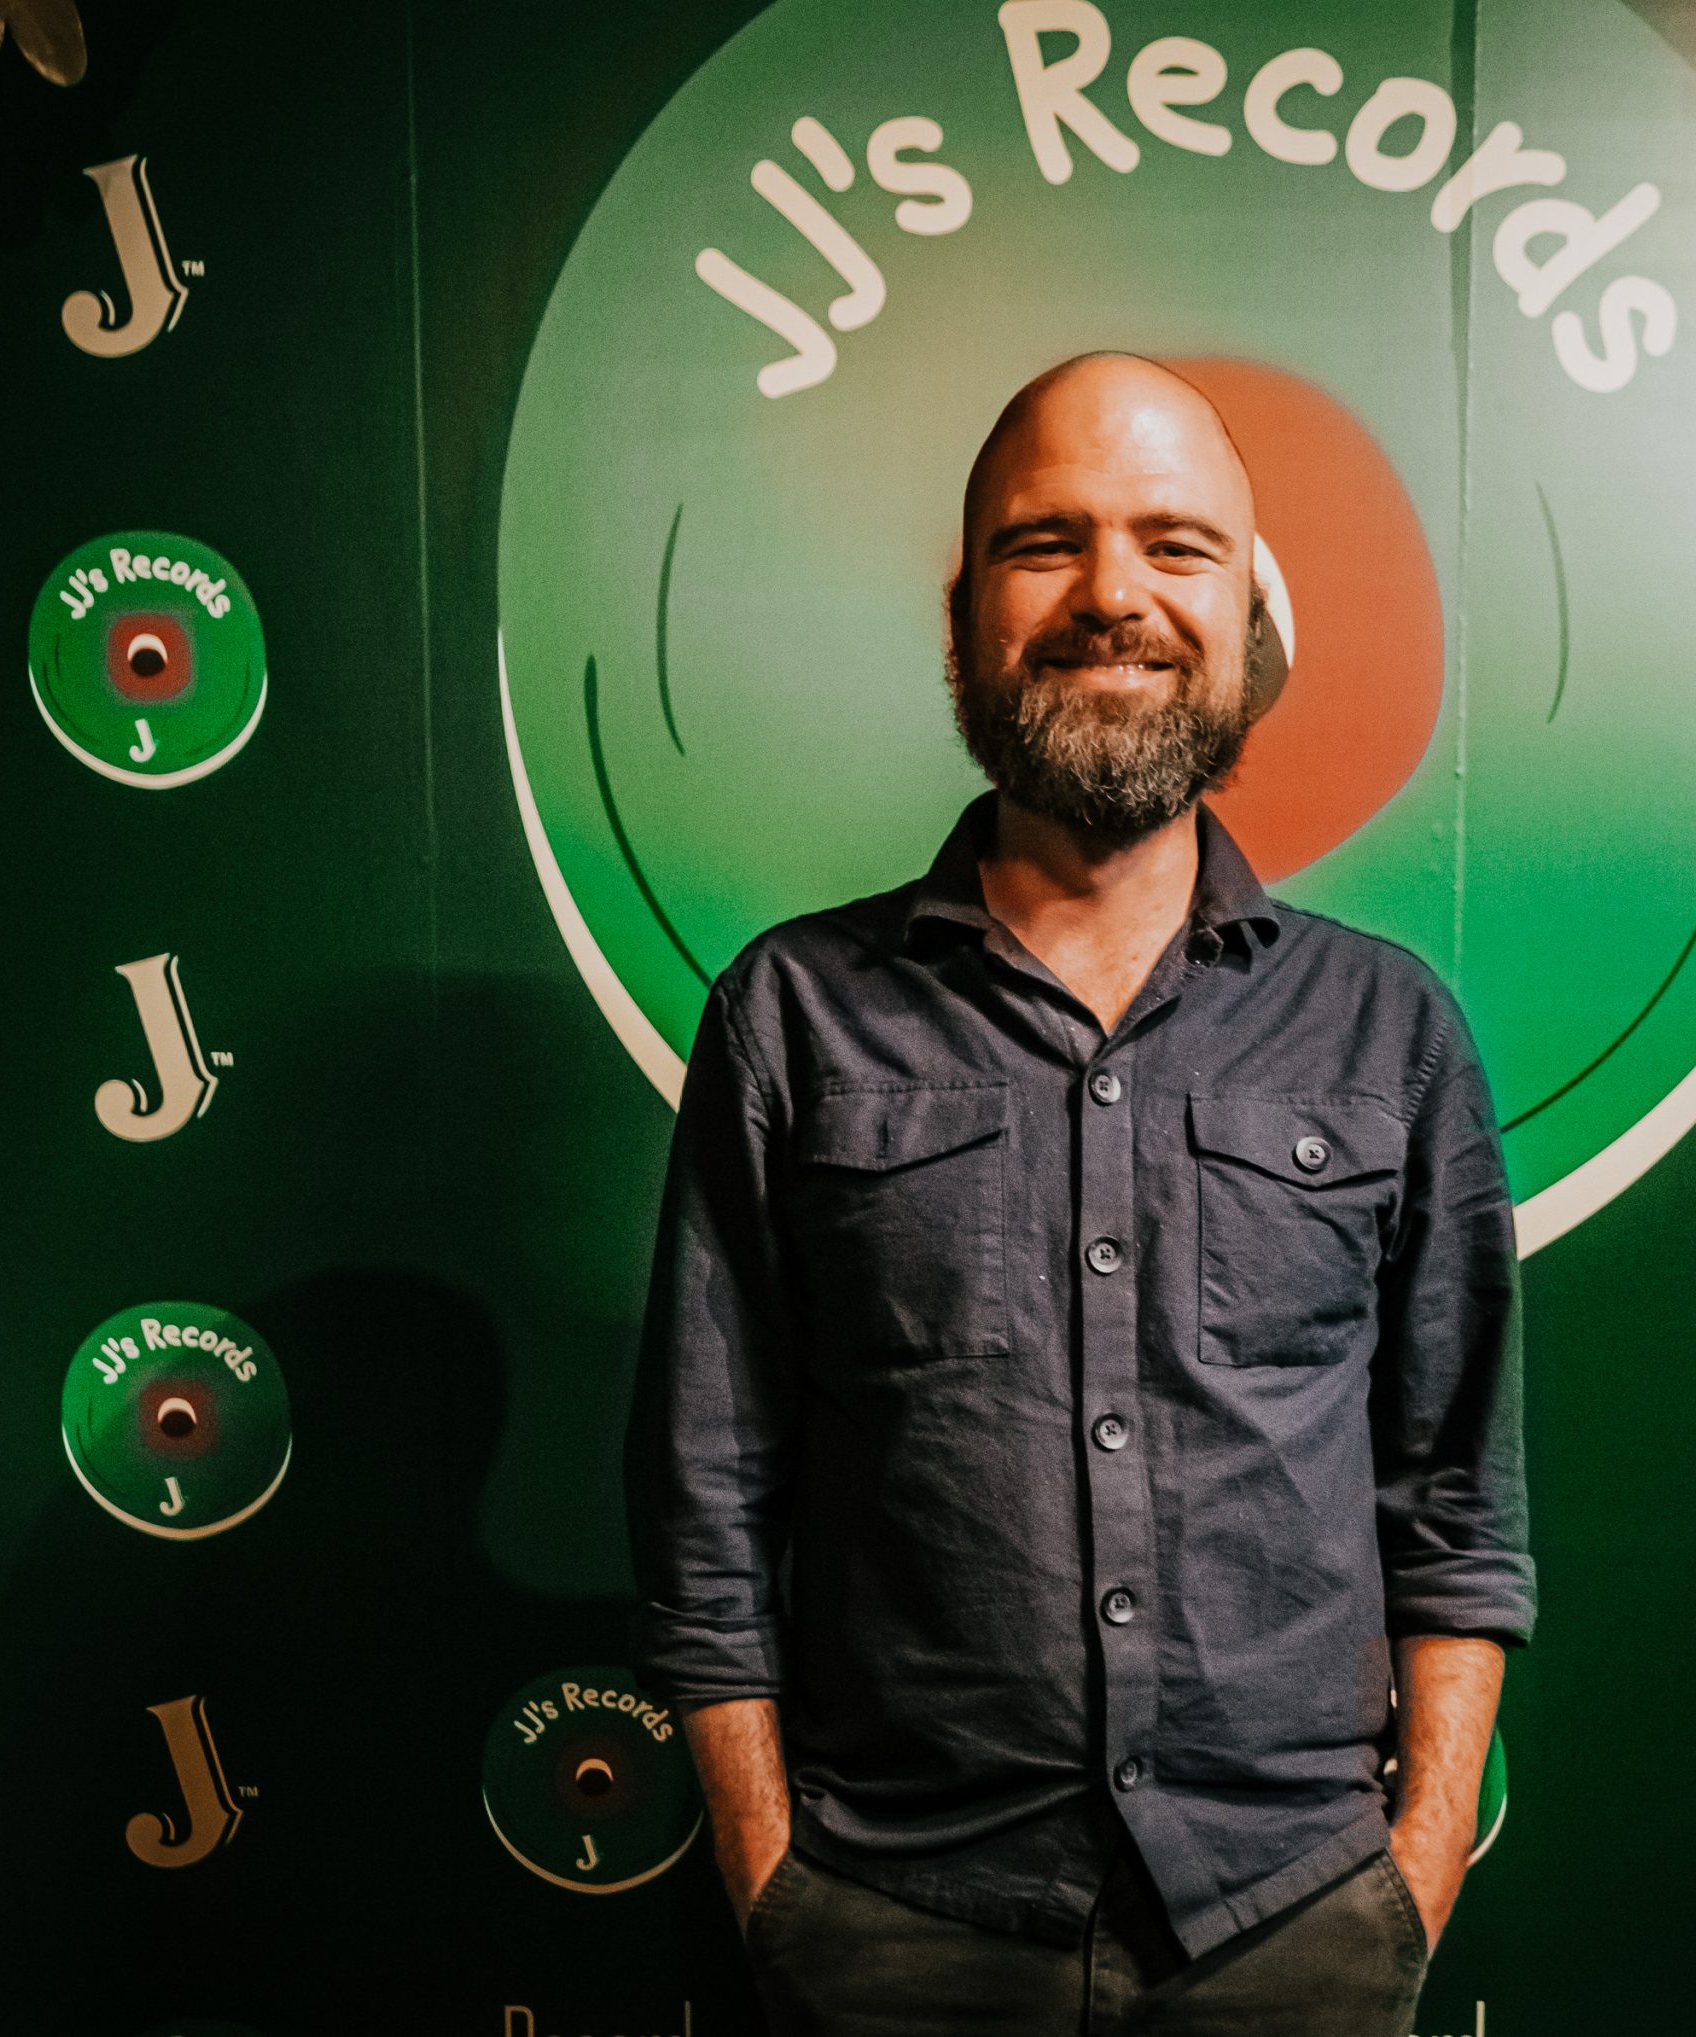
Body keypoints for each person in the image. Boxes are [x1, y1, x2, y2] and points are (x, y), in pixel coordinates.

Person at [627, 352, 1533, 2034]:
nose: (1113, 592)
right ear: (961, 612)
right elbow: (707, 1499)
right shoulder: (792, 1017)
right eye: (1046, 542)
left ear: (1246, 610)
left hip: (1297, 1931)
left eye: (1176, 544)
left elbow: (1460, 1508)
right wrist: (773, 1884)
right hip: (890, 1928)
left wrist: (1412, 1880)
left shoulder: (1388, 1032)